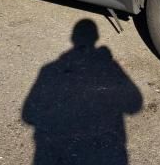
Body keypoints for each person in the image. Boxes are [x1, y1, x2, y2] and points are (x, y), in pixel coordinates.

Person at [22, 19, 143, 165]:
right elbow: (135, 104)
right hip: (106, 150)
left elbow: (28, 115)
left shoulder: (49, 70)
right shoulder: (109, 66)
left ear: (73, 38)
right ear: (96, 37)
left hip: (58, 152)